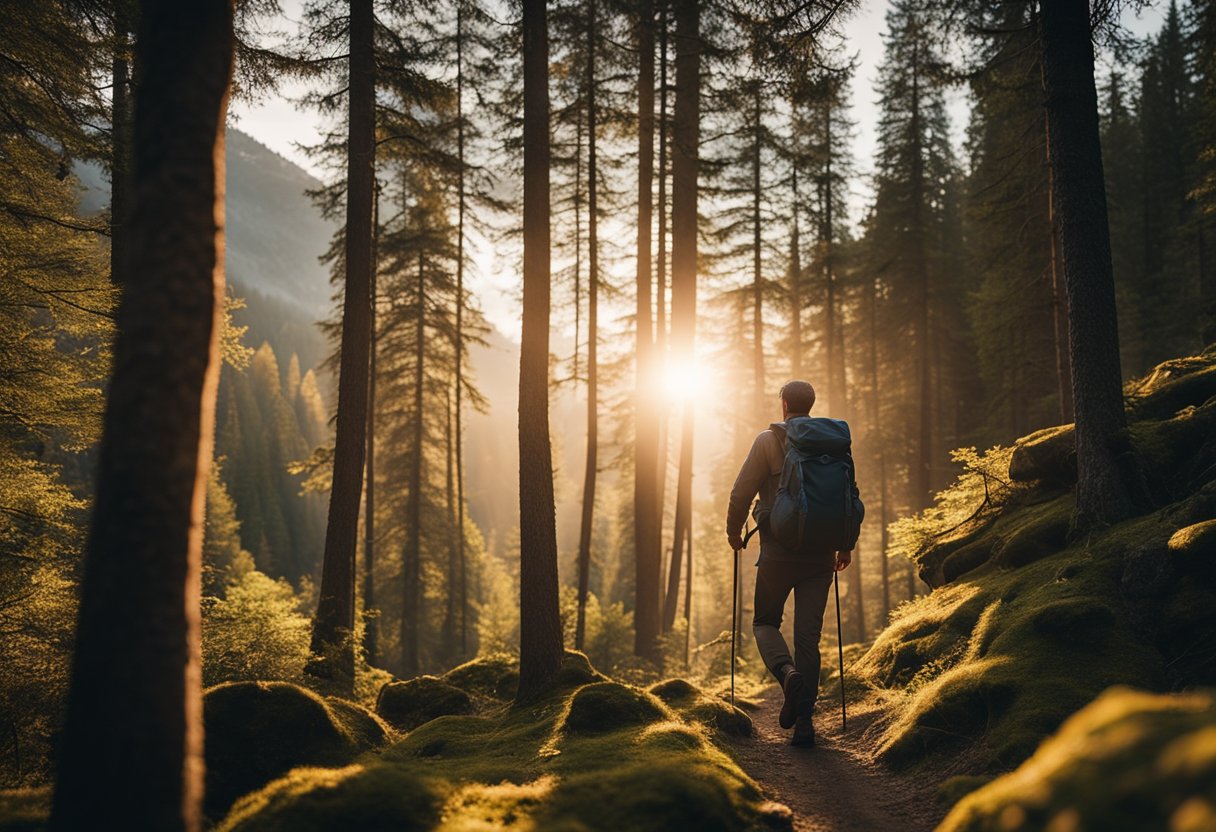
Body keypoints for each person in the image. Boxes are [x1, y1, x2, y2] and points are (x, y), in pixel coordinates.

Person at [725, 380, 854, 747]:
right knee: (808, 638)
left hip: (777, 556)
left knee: (764, 622)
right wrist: (844, 546)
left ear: (783, 405)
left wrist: (735, 534)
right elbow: (848, 495)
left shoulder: (768, 441)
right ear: (810, 406)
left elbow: (740, 493)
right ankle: (805, 723)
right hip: (820, 557)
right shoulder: (834, 442)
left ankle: (786, 674)